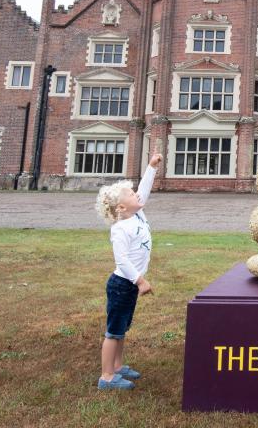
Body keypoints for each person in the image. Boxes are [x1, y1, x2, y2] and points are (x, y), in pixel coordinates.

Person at [94, 153, 162, 390]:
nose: (137, 195)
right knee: (113, 332)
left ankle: (118, 366)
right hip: (122, 284)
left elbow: (144, 191)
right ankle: (107, 376)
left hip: (129, 286)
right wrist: (140, 280)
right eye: (131, 195)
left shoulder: (138, 214)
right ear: (122, 207)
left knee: (122, 328)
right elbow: (121, 261)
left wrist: (151, 168)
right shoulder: (121, 228)